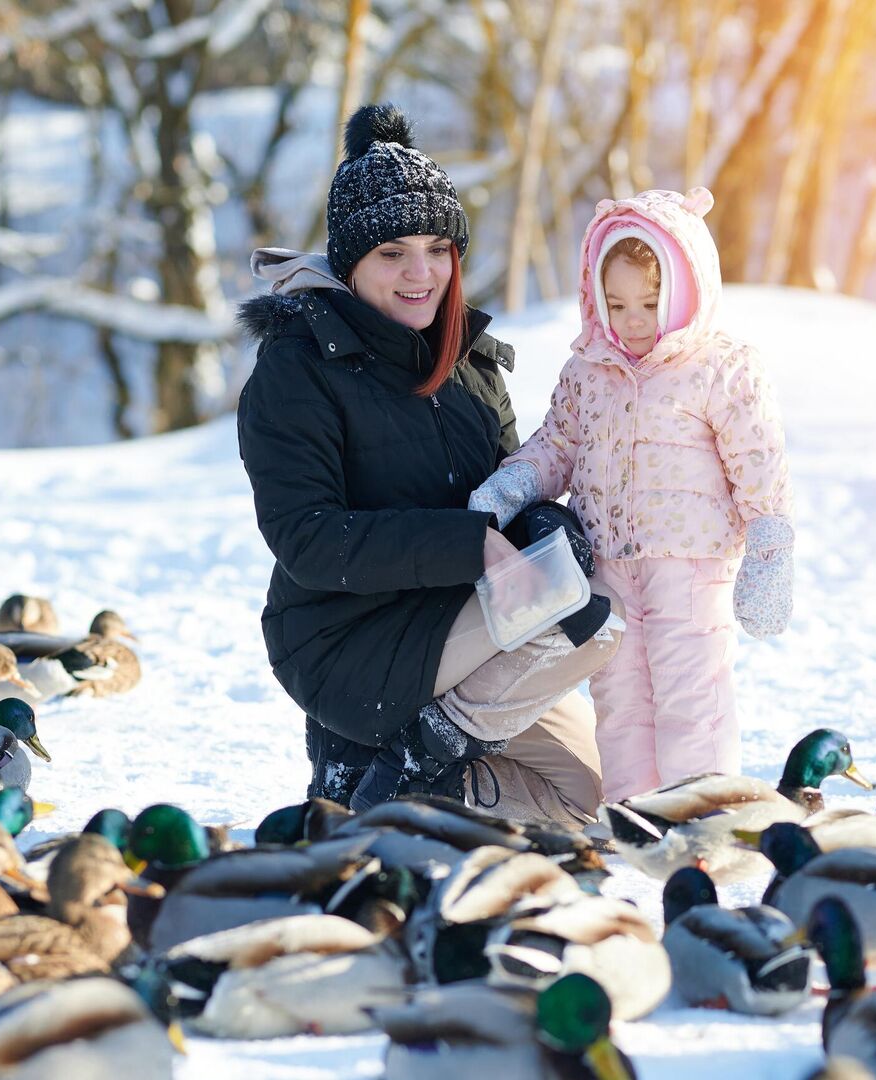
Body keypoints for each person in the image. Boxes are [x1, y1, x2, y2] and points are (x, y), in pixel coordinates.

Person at [234, 103, 622, 824]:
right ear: (350, 262)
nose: (422, 273)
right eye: (392, 254)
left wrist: (541, 526)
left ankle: (410, 786)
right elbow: (310, 541)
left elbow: (508, 488)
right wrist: (471, 544)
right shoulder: (297, 371)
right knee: (597, 619)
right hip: (346, 637)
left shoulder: (470, 364)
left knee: (583, 801)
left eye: (438, 249)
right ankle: (403, 760)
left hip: (459, 620)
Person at [468, 187, 794, 802]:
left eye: (651, 301)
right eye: (617, 304)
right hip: (610, 562)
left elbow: (758, 461)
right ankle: (633, 817)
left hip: (689, 564)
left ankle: (697, 814)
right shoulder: (589, 371)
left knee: (690, 693)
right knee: (619, 697)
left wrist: (770, 543)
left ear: (688, 291)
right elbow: (557, 445)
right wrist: (511, 486)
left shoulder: (720, 368)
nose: (634, 320)